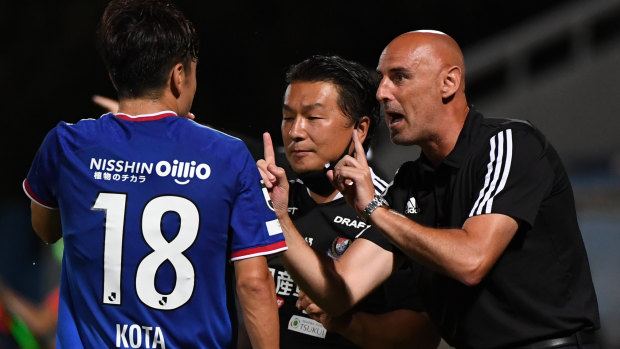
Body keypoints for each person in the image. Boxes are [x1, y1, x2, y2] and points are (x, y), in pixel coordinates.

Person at [262, 30, 600, 348]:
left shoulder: (509, 144)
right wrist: (278, 217)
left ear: (448, 82)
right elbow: (340, 293)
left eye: (399, 77)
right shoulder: (410, 182)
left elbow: (471, 260)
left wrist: (374, 211)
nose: (381, 93)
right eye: (382, 80)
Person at [22, 1, 286, 348]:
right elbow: (254, 283)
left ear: (116, 74)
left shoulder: (67, 144)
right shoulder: (228, 155)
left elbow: (46, 230)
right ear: (179, 76)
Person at [256, 55, 439, 348]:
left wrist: (347, 324)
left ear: (360, 129)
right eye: (288, 117)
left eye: (313, 118)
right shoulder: (262, 191)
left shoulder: (391, 210)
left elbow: (421, 335)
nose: (295, 132)